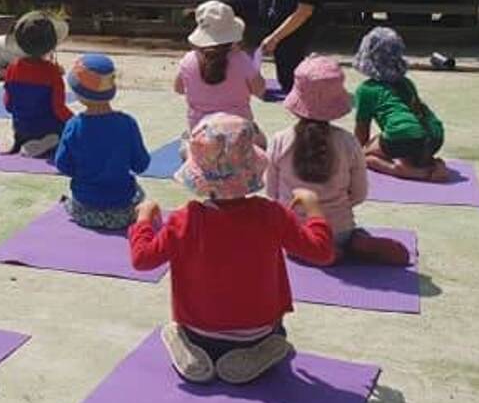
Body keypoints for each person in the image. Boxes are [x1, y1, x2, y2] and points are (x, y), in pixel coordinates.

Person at [128, 113, 335, 384]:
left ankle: (189, 347)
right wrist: (314, 209)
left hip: (198, 330)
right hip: (258, 331)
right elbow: (322, 251)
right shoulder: (271, 214)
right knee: (276, 335)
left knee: (178, 329)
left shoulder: (185, 219)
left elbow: (142, 259)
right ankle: (260, 351)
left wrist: (143, 219)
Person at [265, 55, 410, 266]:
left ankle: (320, 252)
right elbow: (359, 194)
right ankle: (354, 242)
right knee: (350, 233)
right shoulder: (348, 142)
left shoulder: (279, 140)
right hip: (341, 229)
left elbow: (272, 193)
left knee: (290, 243)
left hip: (297, 232)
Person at [54, 54, 152, 230]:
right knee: (141, 195)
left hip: (84, 210)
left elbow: (63, 165)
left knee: (75, 198)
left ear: (78, 94)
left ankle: (68, 203)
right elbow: (141, 165)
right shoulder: (127, 123)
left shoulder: (73, 126)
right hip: (123, 211)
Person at [353, 27, 449, 182]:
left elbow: (362, 132)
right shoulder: (407, 83)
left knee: (364, 156)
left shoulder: (367, 89)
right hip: (435, 135)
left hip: (403, 138)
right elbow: (414, 112)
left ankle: (405, 171)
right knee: (413, 146)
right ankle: (433, 164)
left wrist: (361, 153)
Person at [174, 0, 269, 144]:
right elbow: (260, 89)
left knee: (186, 140)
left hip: (201, 133)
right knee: (262, 142)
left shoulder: (188, 60)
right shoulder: (242, 60)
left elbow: (178, 88)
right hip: (238, 133)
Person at [1, 11, 72, 157]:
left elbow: (8, 104)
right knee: (63, 131)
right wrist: (74, 121)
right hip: (46, 126)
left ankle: (18, 138)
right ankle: (44, 142)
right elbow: (59, 108)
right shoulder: (52, 72)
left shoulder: (12, 68)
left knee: (20, 127)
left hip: (21, 124)